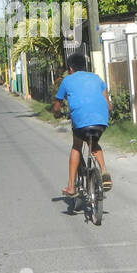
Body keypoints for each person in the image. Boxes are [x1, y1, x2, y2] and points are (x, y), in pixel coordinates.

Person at [52, 52, 112, 196]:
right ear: (85, 67)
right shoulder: (97, 78)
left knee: (77, 146)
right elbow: (108, 105)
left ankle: (71, 186)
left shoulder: (67, 80)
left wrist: (56, 114)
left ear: (71, 68)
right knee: (94, 142)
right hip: (101, 120)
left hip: (81, 121)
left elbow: (57, 105)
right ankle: (104, 171)